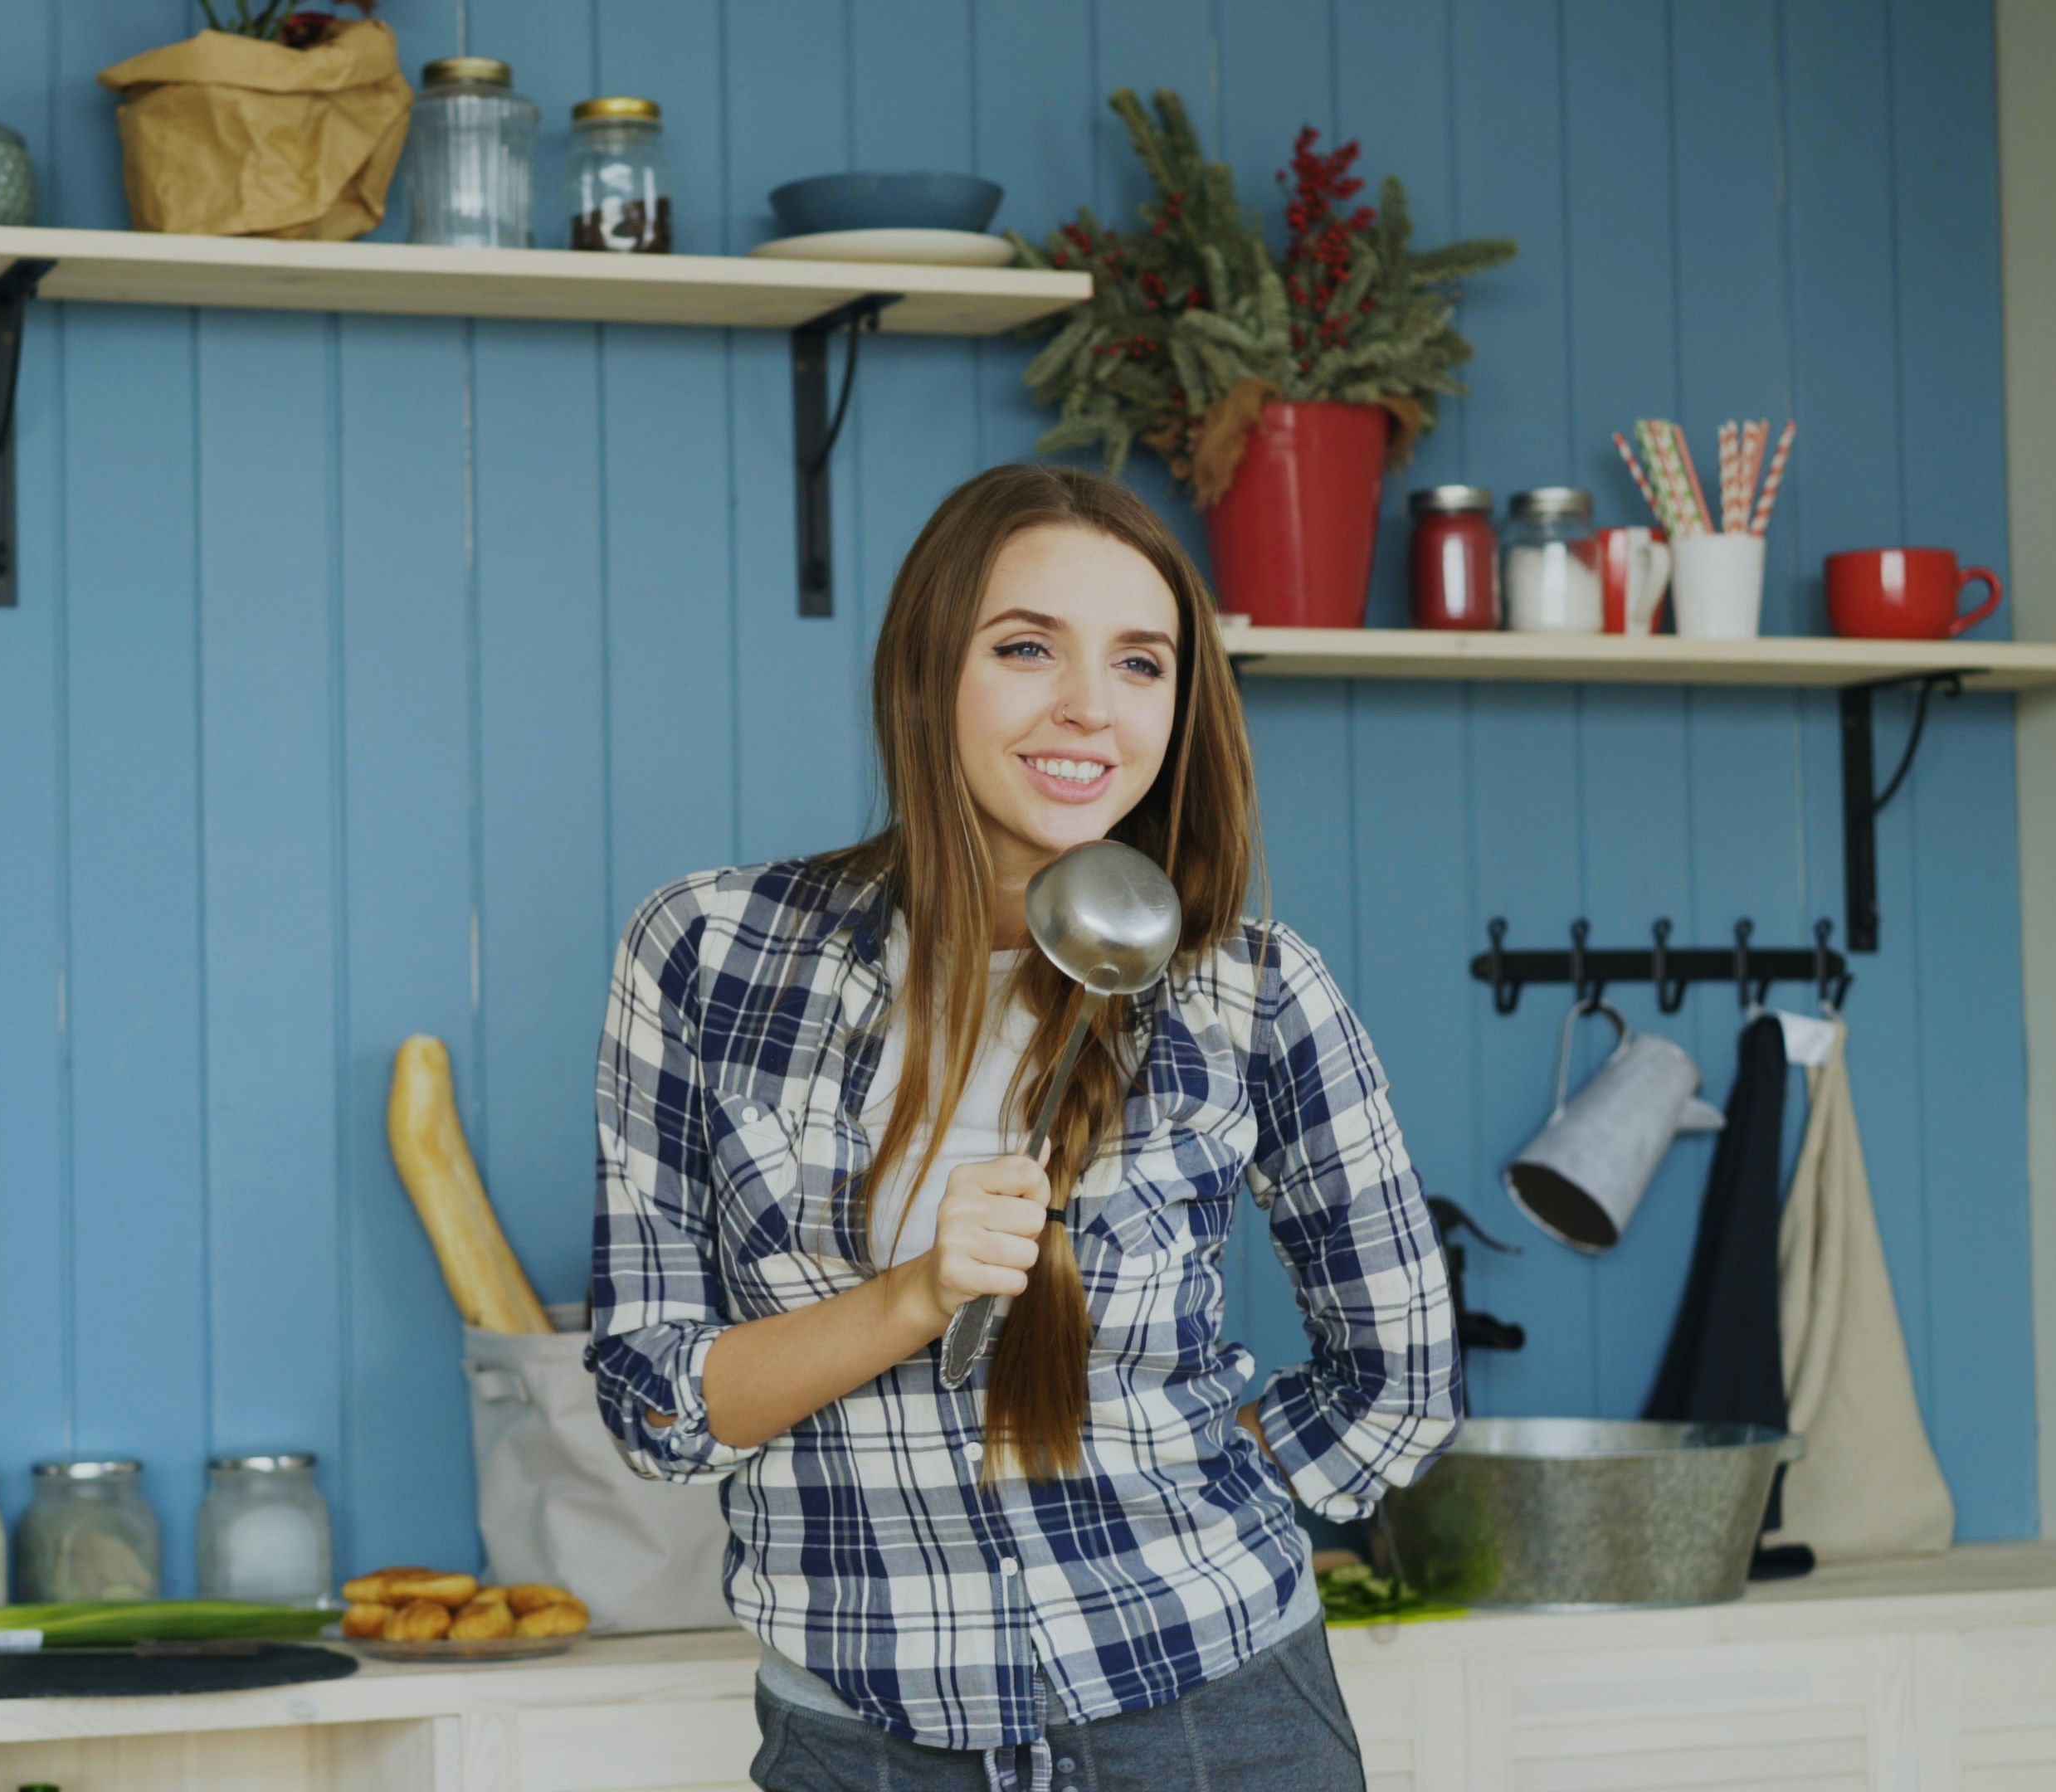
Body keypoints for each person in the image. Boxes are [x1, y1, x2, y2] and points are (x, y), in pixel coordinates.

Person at [586, 465, 1461, 1790]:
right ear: (928, 667)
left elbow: (1399, 1380)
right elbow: (655, 1402)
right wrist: (917, 1295)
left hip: (1214, 1718)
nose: (1088, 710)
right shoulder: (711, 954)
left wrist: (1193, 1487)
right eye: (1027, 647)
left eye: (1141, 664)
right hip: (862, 1747)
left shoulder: (1251, 990)